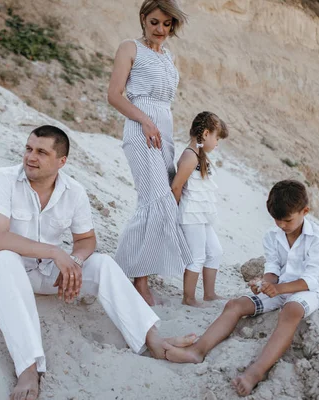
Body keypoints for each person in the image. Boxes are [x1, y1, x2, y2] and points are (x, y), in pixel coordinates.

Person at [0, 125, 195, 400]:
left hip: (46, 273)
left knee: (102, 263)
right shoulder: (2, 179)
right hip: (0, 270)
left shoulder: (74, 191)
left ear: (61, 162)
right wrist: (57, 253)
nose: (31, 157)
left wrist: (75, 261)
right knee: (6, 259)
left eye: (42, 152)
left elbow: (87, 240)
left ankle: (151, 339)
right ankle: (28, 367)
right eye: (29, 149)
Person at [163, 180, 319, 397]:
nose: (281, 225)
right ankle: (197, 351)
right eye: (276, 220)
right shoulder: (273, 236)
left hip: (308, 291)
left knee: (291, 311)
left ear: (304, 211)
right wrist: (264, 283)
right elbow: (273, 268)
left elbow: (312, 279)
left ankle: (255, 372)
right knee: (235, 304)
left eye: (287, 220)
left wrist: (278, 289)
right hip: (279, 288)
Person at [107, 0, 192, 305]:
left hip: (163, 131)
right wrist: (144, 121)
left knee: (165, 198)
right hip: (141, 128)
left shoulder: (168, 57)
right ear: (143, 18)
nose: (160, 30)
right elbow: (114, 95)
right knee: (154, 199)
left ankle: (135, 270)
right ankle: (136, 278)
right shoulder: (129, 48)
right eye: (155, 22)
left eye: (167, 24)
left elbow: (165, 103)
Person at [170, 111, 229, 307]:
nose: (217, 143)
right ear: (205, 134)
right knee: (197, 256)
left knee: (215, 251)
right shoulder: (190, 156)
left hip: (201, 213)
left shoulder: (200, 155)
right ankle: (188, 298)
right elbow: (177, 186)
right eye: (217, 138)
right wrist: (173, 212)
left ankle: (209, 293)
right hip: (190, 214)